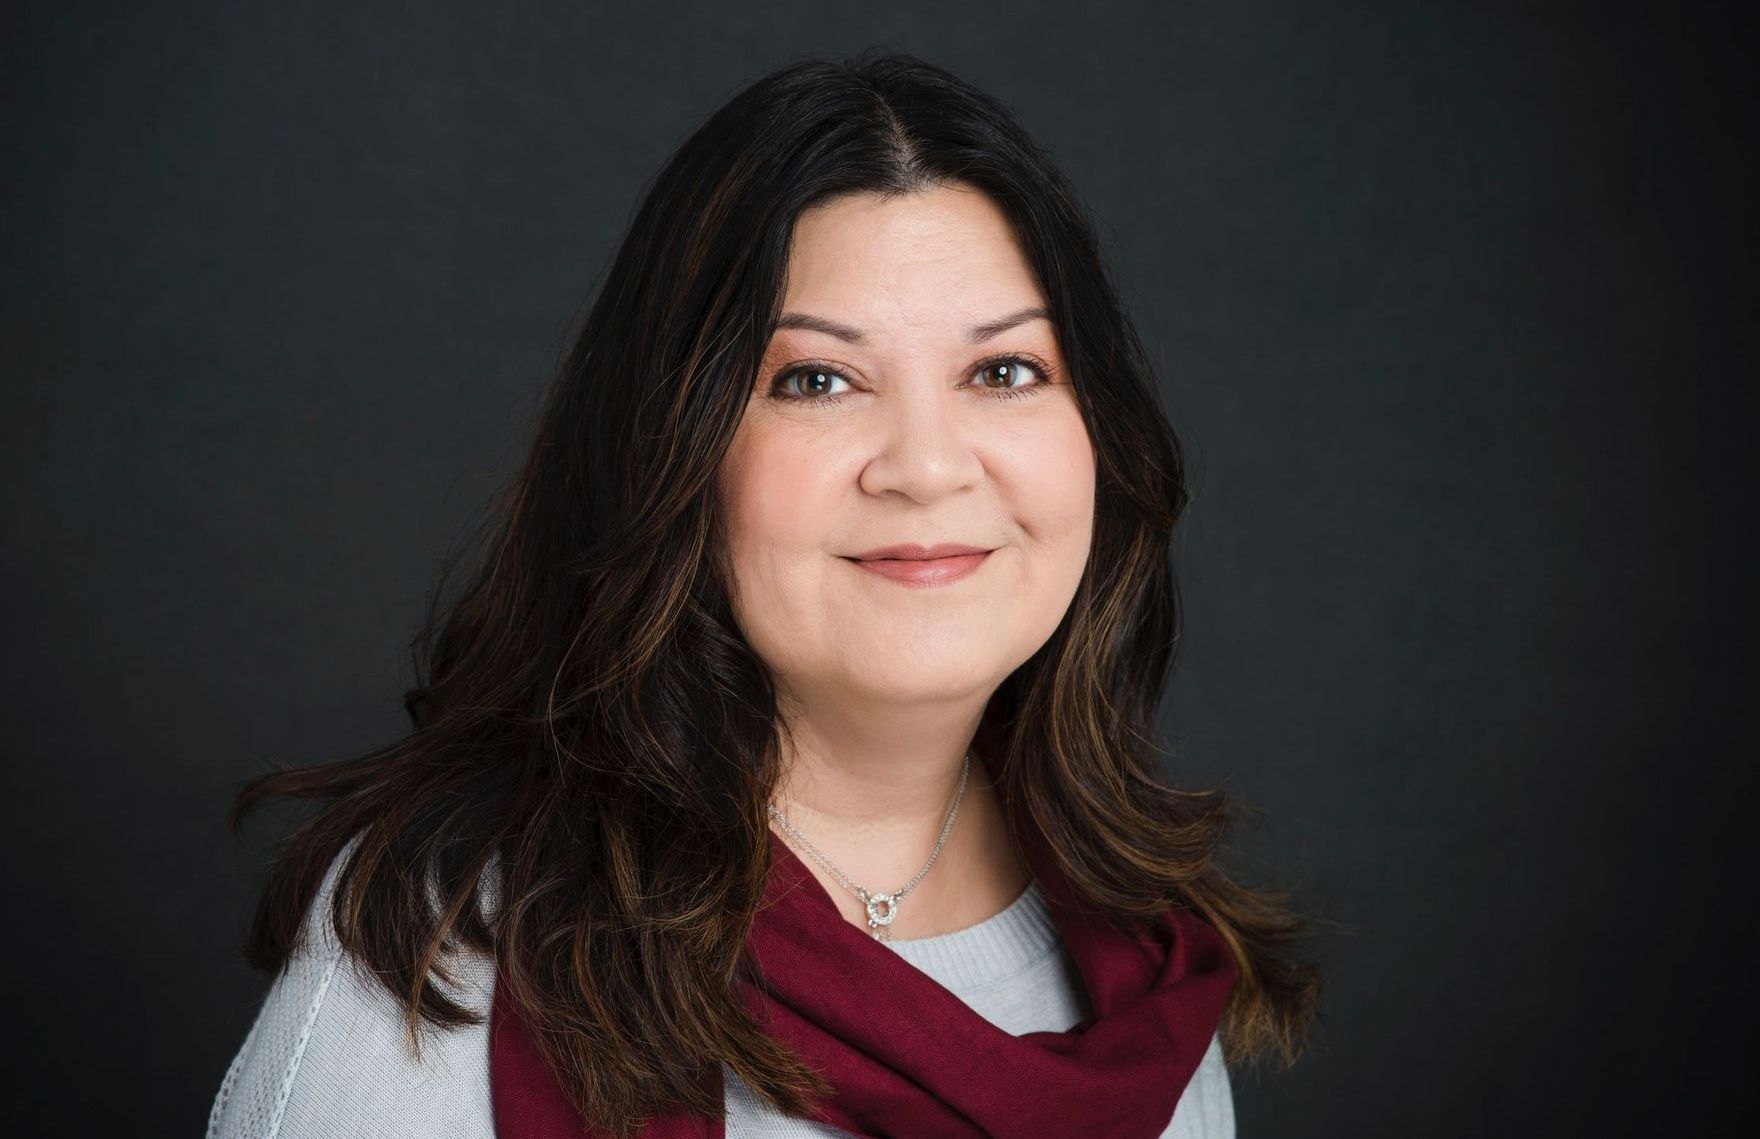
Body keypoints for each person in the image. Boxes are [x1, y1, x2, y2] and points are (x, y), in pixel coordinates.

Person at [206, 50, 1322, 1139]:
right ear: (674, 451)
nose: (926, 466)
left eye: (1003, 371)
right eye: (816, 380)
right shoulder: (449, 940)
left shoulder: (1147, 970)